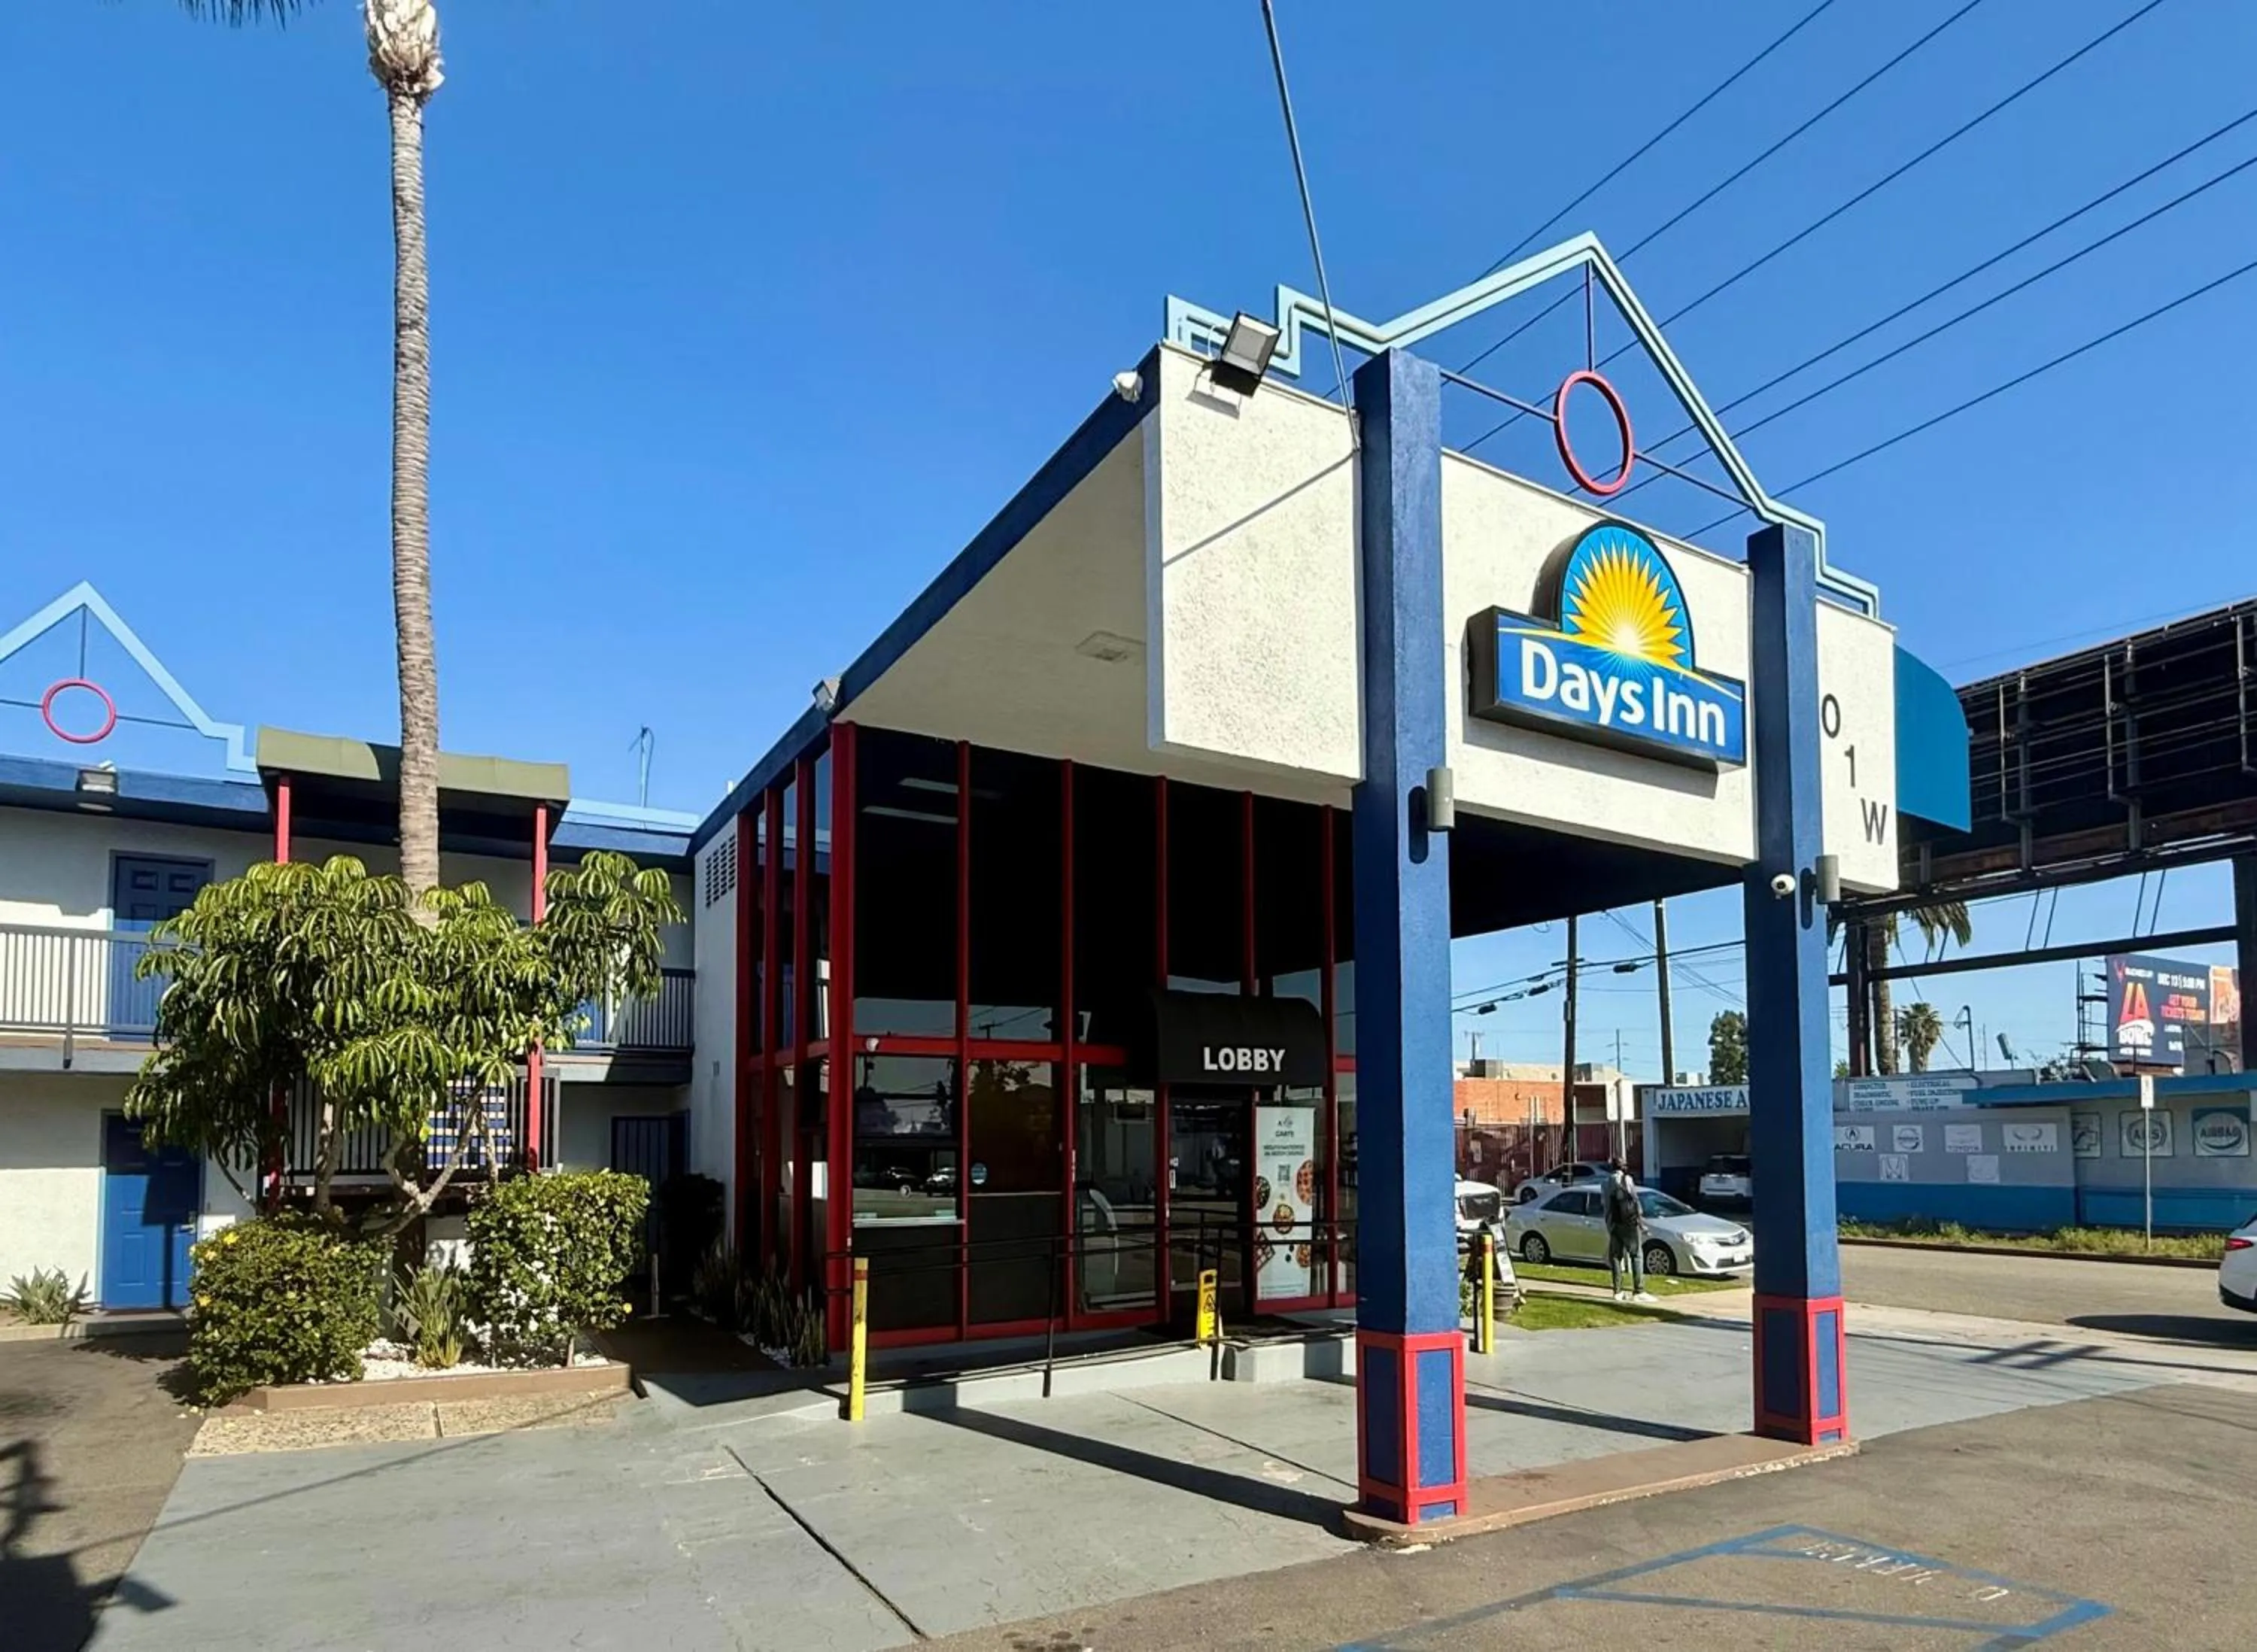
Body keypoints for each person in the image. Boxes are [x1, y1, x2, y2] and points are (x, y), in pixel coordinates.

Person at [1602, 1158, 1654, 1303]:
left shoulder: (1605, 1183)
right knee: (1636, 1255)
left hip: (1615, 1224)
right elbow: (1635, 1201)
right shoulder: (1627, 1180)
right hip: (1630, 1225)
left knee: (1616, 1257)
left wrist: (1610, 1225)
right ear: (1623, 1167)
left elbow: (1606, 1205)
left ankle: (1618, 1291)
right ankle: (1639, 1290)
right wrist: (1641, 1224)